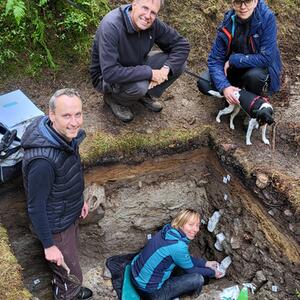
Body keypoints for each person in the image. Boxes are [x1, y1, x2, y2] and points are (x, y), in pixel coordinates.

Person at [21, 89, 93, 300]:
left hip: (68, 212)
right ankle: (67, 294)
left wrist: (79, 200)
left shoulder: (64, 137)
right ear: (51, 115)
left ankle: (66, 287)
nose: (74, 122)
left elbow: (71, 171)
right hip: (56, 227)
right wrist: (49, 245)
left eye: (78, 114)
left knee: (68, 267)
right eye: (66, 116)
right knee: (71, 275)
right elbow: (35, 207)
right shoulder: (42, 162)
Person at [90, 0, 190, 122]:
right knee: (140, 85)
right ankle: (114, 99)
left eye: (153, 12)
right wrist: (150, 73)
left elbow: (182, 45)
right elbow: (110, 73)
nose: (148, 16)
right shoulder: (111, 25)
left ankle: (142, 94)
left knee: (178, 65)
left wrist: (165, 69)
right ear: (134, 4)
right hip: (107, 78)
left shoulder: (153, 24)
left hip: (136, 64)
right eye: (145, 8)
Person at [197, 0, 281, 105]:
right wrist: (224, 87)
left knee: (254, 76)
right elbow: (215, 59)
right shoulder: (228, 21)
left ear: (255, 2)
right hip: (235, 67)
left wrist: (234, 60)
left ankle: (253, 103)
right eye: (238, 2)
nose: (243, 7)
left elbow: (267, 57)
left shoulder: (267, 18)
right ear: (232, 3)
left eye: (247, 1)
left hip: (258, 66)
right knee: (204, 82)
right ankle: (233, 94)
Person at [130, 209, 223, 300]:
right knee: (198, 279)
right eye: (191, 225)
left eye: (197, 225)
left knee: (180, 265)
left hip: (135, 273)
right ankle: (194, 297)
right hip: (150, 292)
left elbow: (182, 258)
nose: (196, 229)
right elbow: (191, 270)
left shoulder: (168, 230)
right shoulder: (178, 246)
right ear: (181, 223)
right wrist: (213, 273)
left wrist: (206, 264)